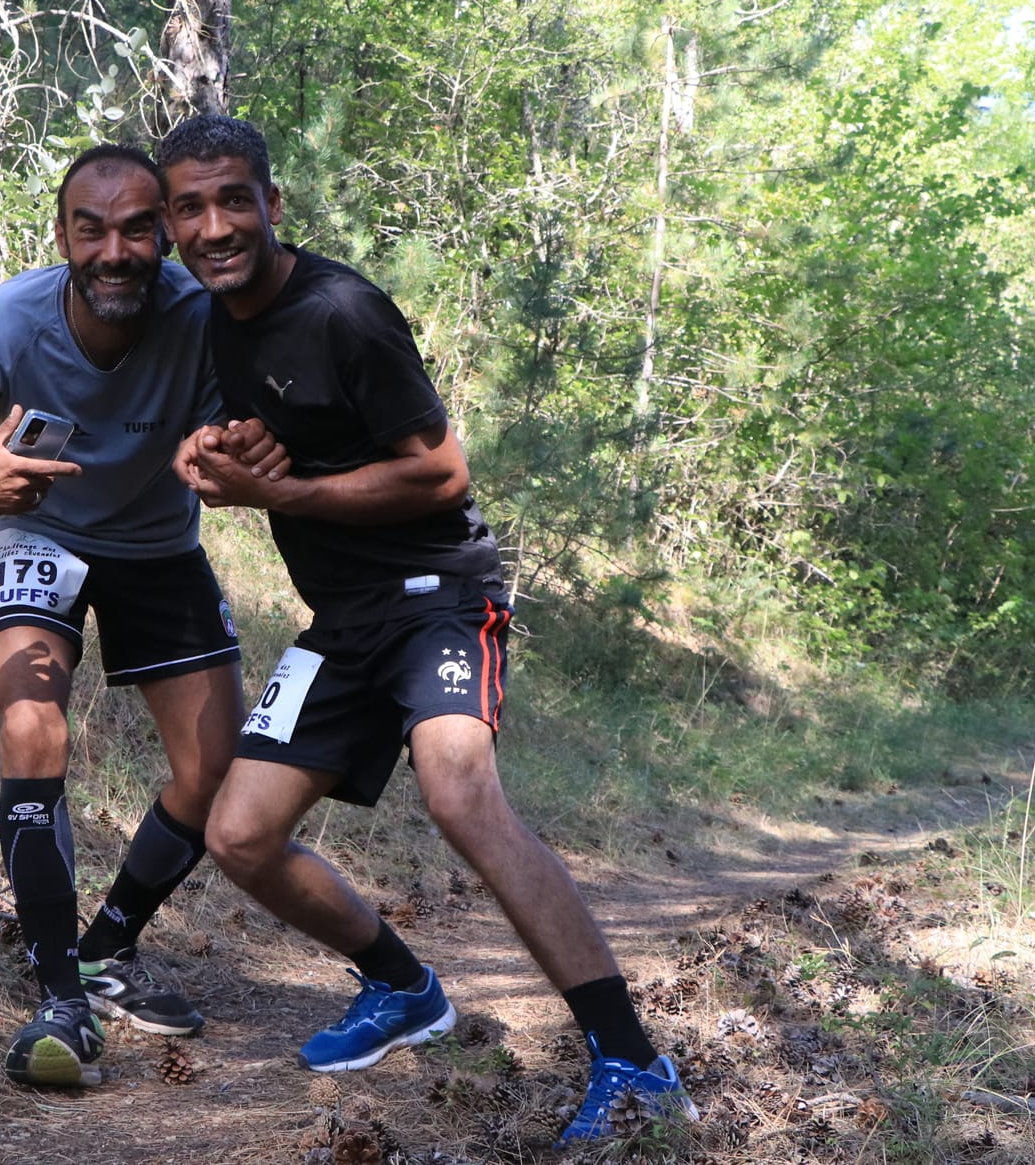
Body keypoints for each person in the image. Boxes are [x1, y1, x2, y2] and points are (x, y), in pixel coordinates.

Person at [157, 115, 695, 1144]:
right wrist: (214, 451)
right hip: (342, 617)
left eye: (233, 200)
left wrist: (290, 495)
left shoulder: (343, 311)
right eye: (191, 206)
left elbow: (440, 471)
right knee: (236, 832)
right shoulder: (221, 315)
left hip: (439, 590)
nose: (214, 225)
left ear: (272, 205)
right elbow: (284, 435)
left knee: (459, 792)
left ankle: (633, 1062)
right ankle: (403, 988)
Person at [0, 143, 280, 1089]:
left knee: (217, 769)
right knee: (32, 722)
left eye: (139, 228)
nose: (115, 251)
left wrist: (248, 451)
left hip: (154, 540)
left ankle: (109, 946)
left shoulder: (202, 318)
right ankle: (60, 996)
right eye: (91, 228)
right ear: (61, 235)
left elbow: (265, 429)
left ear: (166, 237)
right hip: (32, 530)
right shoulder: (5, 326)